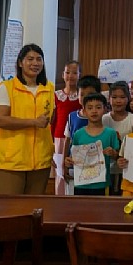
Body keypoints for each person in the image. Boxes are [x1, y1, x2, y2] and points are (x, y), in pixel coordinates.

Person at [0, 43, 55, 195]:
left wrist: (50, 152)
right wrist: (33, 122)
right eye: (30, 59)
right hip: (11, 161)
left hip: (40, 161)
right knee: (9, 207)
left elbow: (51, 121)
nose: (35, 63)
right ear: (20, 63)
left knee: (34, 206)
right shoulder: (7, 87)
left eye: (39, 59)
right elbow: (0, 120)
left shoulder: (49, 88)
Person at [64, 93, 120, 196]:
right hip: (81, 184)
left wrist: (113, 153)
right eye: (90, 108)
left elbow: (117, 157)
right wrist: (68, 162)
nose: (94, 111)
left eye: (98, 107)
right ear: (84, 111)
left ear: (105, 109)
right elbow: (73, 157)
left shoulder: (111, 133)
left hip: (102, 184)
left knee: (102, 207)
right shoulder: (78, 134)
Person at [62, 75, 102, 194]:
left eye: (90, 94)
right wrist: (64, 163)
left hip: (96, 168)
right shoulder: (72, 116)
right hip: (75, 166)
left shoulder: (102, 117)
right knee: (74, 198)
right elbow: (67, 140)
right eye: (82, 94)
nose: (85, 98)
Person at [52, 60, 81, 195]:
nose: (71, 76)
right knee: (60, 172)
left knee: (75, 169)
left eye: (74, 73)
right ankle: (60, 199)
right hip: (59, 139)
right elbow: (53, 121)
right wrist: (51, 142)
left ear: (79, 75)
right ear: (63, 75)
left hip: (75, 139)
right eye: (67, 72)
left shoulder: (81, 96)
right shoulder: (56, 95)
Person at [102, 81, 133, 195]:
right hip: (106, 169)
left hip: (126, 169)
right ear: (109, 99)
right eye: (114, 97)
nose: (118, 101)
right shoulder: (104, 119)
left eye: (122, 97)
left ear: (128, 98)